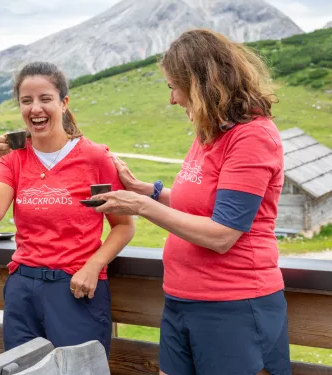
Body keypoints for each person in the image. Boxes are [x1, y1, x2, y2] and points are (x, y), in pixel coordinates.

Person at [93, 29, 290, 375]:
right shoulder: (210, 132)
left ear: (200, 83)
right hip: (182, 298)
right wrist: (145, 191)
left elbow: (222, 233)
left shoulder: (253, 137)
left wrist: (141, 207)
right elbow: (200, 205)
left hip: (234, 304)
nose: (172, 99)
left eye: (173, 86)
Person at [0, 61, 135, 356]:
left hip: (75, 289)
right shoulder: (14, 159)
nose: (35, 108)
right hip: (23, 289)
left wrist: (93, 266)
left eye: (45, 99)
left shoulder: (96, 158)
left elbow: (124, 225)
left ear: (63, 103)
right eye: (26, 101)